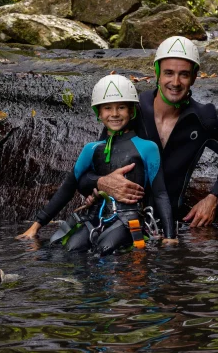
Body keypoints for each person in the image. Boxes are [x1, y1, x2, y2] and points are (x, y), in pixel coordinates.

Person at [77, 37, 218, 227]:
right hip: (118, 222)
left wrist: (214, 198)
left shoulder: (203, 119)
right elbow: (84, 177)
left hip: (170, 228)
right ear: (157, 73)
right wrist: (102, 182)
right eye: (168, 73)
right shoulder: (130, 113)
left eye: (183, 74)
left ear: (194, 76)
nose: (175, 82)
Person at [20, 75, 176, 253]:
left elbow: (161, 193)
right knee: (71, 249)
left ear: (132, 111)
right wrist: (35, 226)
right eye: (107, 108)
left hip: (129, 220)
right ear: (99, 113)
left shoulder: (148, 148)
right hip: (95, 216)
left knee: (105, 249)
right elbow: (67, 188)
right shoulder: (91, 149)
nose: (115, 114)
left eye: (121, 107)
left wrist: (170, 236)